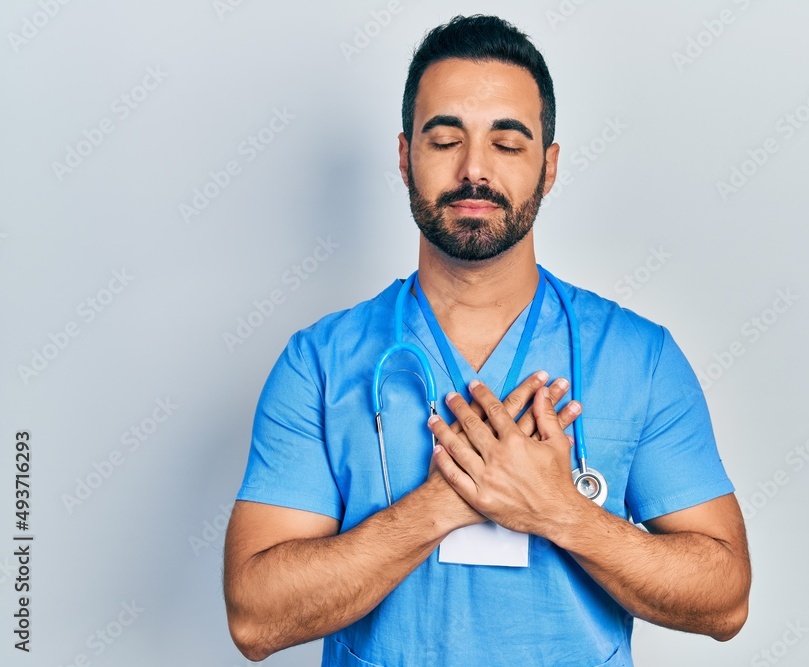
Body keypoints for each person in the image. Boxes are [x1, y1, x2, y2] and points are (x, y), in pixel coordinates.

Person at [223, 14, 750, 667]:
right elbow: (255, 618)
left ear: (548, 165)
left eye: (507, 143)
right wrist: (442, 504)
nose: (474, 169)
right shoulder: (321, 362)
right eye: (445, 139)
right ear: (403, 155)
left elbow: (724, 600)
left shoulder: (637, 357)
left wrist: (561, 512)